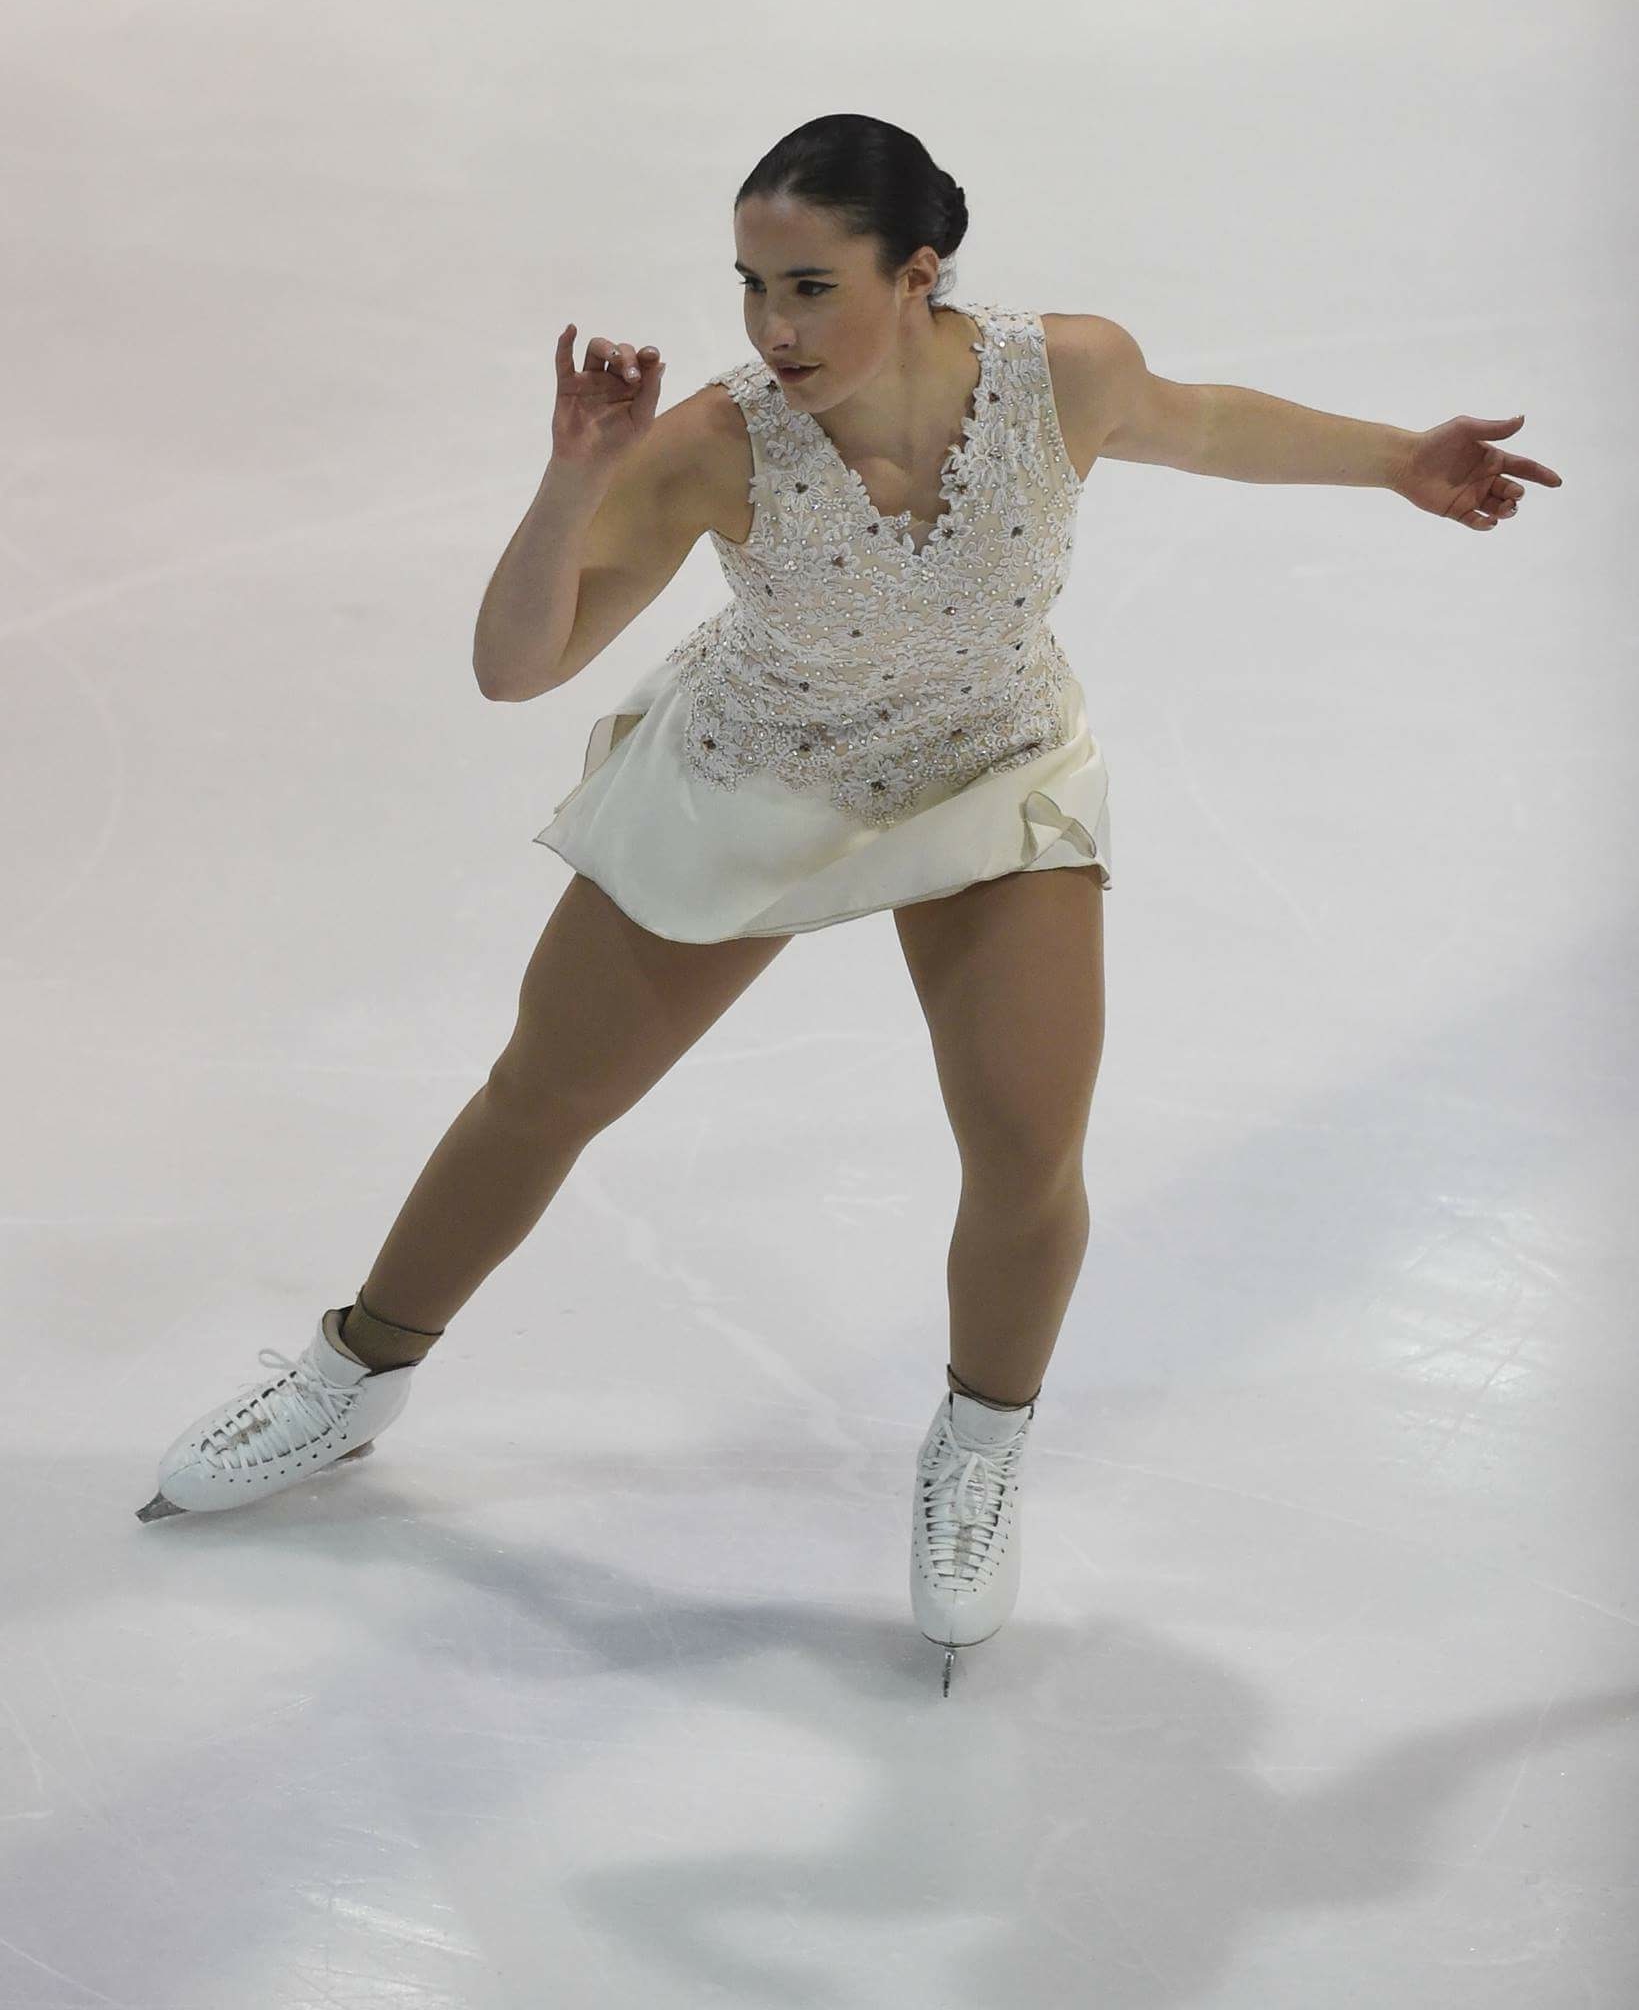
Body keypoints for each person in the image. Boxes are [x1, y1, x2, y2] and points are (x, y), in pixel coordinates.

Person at [135, 114, 1561, 1700]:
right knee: (543, 1094)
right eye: (752, 287)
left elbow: (1203, 422)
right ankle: (352, 1374)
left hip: (990, 774)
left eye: (811, 286)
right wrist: (572, 480)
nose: (774, 327)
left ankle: (979, 1451)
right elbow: (513, 667)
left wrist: (1400, 460)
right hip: (760, 778)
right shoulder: (714, 444)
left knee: (1026, 1149)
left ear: (920, 271)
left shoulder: (1063, 372)